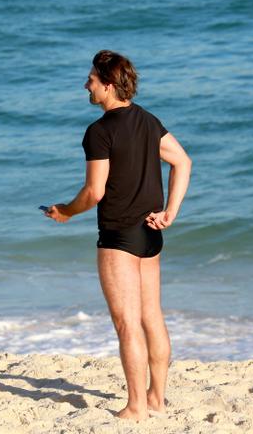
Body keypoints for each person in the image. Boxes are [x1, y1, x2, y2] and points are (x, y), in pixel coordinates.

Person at [45, 50, 192, 422]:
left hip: (119, 235)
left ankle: (136, 407)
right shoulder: (147, 120)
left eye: (91, 80)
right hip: (150, 233)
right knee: (152, 317)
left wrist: (66, 210)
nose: (86, 85)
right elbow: (183, 161)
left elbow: (94, 193)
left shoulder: (100, 131)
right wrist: (171, 212)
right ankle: (157, 398)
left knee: (127, 323)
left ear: (108, 85)